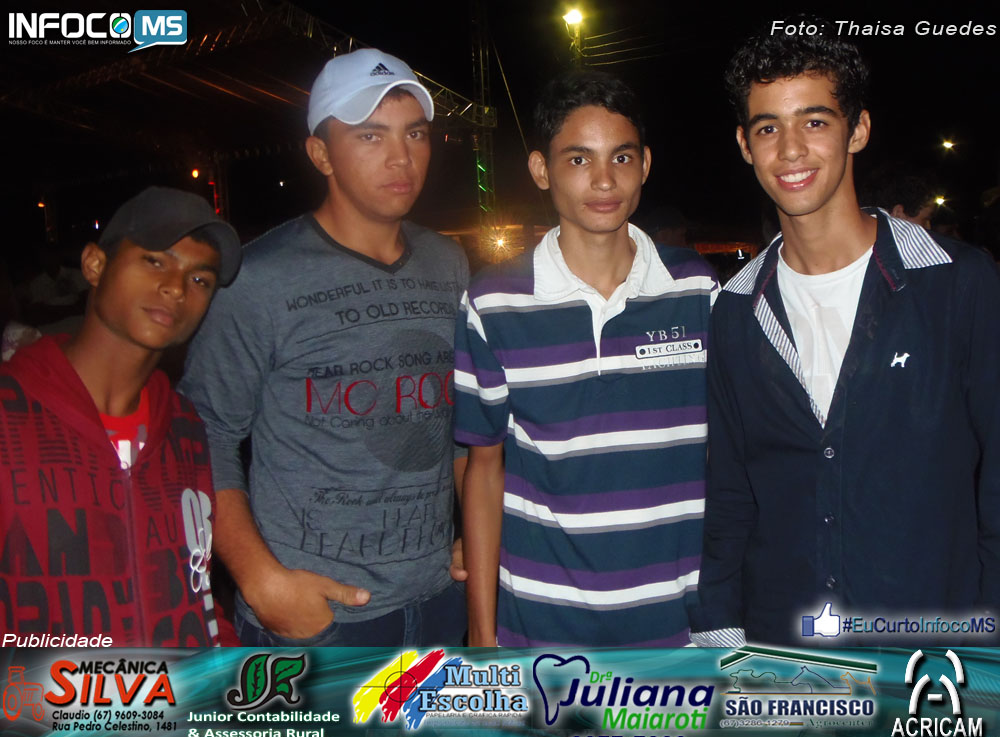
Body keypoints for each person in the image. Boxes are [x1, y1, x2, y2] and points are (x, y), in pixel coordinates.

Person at [693, 19, 1000, 646]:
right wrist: (719, 638)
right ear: (745, 145)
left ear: (857, 129)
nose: (790, 149)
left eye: (814, 121)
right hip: (788, 655)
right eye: (767, 128)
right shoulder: (735, 309)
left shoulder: (955, 284)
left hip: (933, 649)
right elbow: (730, 493)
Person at [180, 48, 469, 647]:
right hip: (316, 616)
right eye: (370, 136)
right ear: (320, 154)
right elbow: (204, 432)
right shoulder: (259, 277)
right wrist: (259, 580)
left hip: (440, 597)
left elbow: (464, 421)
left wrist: (479, 532)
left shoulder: (449, 264)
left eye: (415, 133)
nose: (401, 157)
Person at [454, 70, 718, 647]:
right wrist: (481, 628)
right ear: (541, 169)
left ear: (645, 165)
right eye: (579, 159)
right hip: (539, 626)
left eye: (622, 157)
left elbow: (724, 454)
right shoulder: (493, 302)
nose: (604, 180)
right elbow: (484, 469)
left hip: (680, 627)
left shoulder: (698, 289)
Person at [0, 186, 242, 646]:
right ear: (95, 265)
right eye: (155, 260)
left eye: (200, 280)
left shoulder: (186, 429)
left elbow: (198, 591)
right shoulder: (10, 412)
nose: (176, 287)